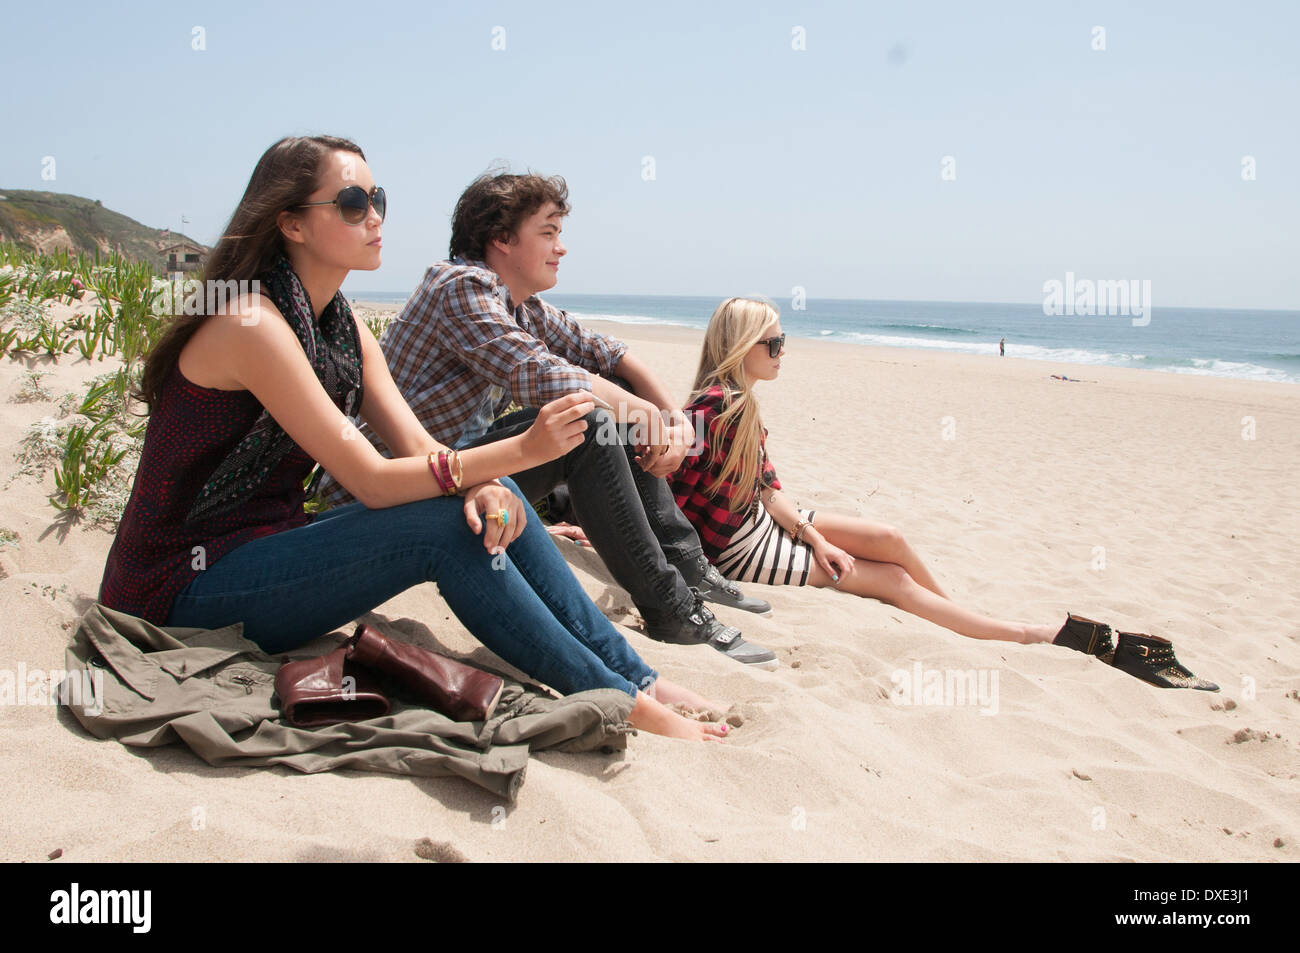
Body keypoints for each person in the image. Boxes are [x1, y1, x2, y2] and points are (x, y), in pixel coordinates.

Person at [96, 135, 731, 741]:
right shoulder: (251, 323)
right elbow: (369, 480)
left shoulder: (342, 325)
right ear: (290, 223)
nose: (373, 216)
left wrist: (490, 480)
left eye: (379, 200)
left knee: (495, 495)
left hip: (266, 550)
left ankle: (638, 676)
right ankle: (616, 699)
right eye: (352, 204)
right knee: (447, 527)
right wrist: (524, 449)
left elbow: (420, 447)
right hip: (176, 589)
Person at [314, 171, 777, 668]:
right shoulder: (459, 287)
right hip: (392, 489)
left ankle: (689, 567)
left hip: (457, 470)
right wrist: (644, 416)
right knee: (590, 428)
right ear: (501, 239)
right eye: (549, 232)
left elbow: (605, 352)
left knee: (606, 416)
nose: (562, 248)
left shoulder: (518, 304)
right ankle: (671, 609)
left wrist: (670, 416)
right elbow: (539, 373)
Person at [666, 296, 1218, 691]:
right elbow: (663, 485)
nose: (784, 351)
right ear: (744, 347)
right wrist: (593, 525)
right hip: (733, 549)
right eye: (775, 342)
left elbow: (767, 488)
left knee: (890, 537)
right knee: (893, 580)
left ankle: (959, 617)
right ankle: (1028, 634)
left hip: (762, 522)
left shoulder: (741, 404)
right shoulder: (715, 408)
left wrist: (811, 535)